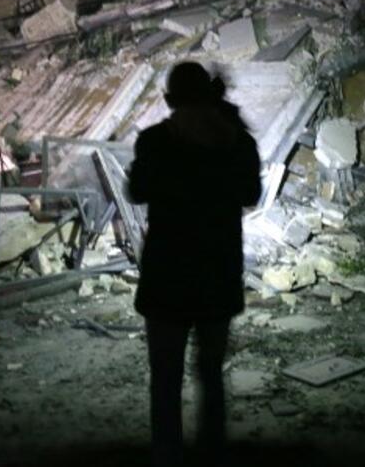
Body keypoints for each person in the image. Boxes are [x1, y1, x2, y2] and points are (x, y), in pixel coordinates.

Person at [127, 61, 262, 466]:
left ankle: (167, 457)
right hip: (217, 276)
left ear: (169, 100)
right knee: (211, 376)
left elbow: (136, 192)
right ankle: (212, 454)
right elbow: (250, 195)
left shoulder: (154, 141)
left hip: (167, 278)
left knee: (165, 382)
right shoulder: (238, 141)